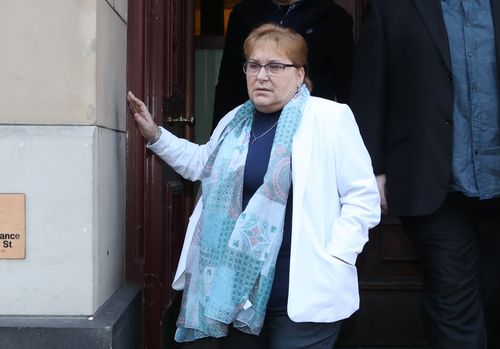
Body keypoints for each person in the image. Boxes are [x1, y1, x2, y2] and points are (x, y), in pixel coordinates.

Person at [129, 23, 380, 349]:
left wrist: (339, 255)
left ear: (300, 74)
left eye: (276, 66)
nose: (262, 75)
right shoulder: (234, 121)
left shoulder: (330, 118)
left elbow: (362, 195)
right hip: (236, 291)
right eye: (254, 65)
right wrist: (155, 135)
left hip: (304, 288)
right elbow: (202, 164)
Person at [350, 1, 500, 348]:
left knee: (491, 301)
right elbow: (370, 85)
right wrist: (372, 168)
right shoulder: (393, 8)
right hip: (433, 181)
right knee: (454, 305)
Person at [211, 0, 353, 130]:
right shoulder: (243, 14)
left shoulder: (334, 18)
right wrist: (219, 138)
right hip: (250, 127)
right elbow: (228, 83)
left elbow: (346, 85)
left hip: (313, 127)